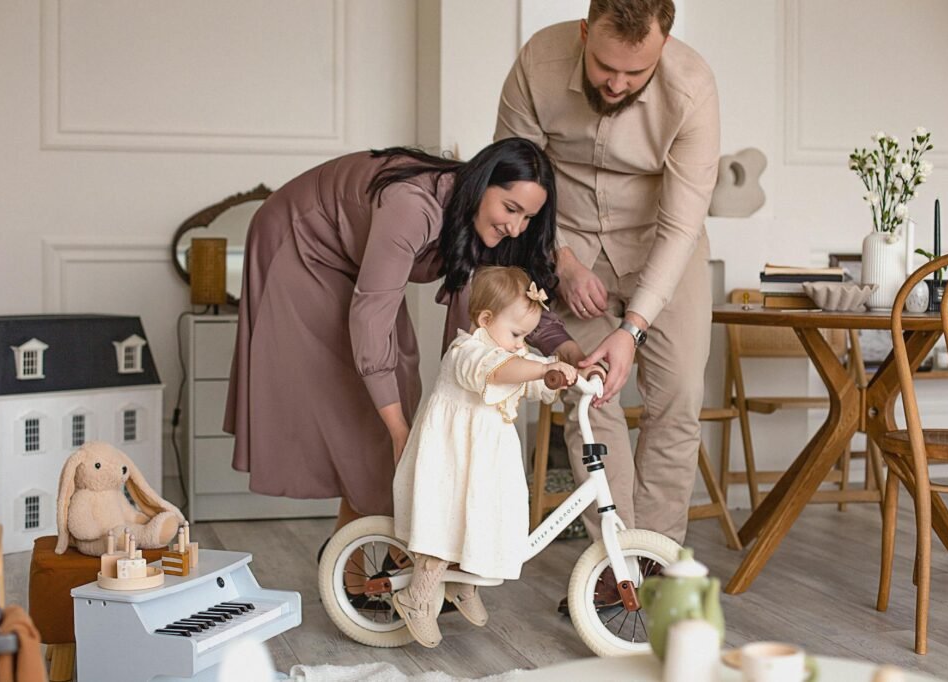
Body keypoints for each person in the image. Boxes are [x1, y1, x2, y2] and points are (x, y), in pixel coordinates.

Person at [224, 138, 590, 545]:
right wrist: (400, 431)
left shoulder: (486, 224)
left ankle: (359, 545)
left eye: (528, 218)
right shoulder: (412, 207)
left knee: (401, 373)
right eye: (510, 208)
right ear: (482, 184)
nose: (516, 227)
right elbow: (370, 317)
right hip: (300, 241)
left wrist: (567, 348)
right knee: (368, 405)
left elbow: (508, 302)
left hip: (354, 256)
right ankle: (362, 560)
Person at [495, 0, 720, 605]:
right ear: (583, 33)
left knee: (678, 401)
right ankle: (613, 570)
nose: (617, 84)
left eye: (635, 73)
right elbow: (511, 176)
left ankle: (659, 563)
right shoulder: (538, 63)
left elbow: (681, 225)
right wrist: (563, 260)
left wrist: (634, 327)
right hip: (565, 244)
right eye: (604, 67)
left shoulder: (693, 87)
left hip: (662, 248)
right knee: (590, 399)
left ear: (664, 46)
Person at [391, 266, 578, 648]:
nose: (520, 343)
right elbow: (501, 371)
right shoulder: (468, 351)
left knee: (483, 521)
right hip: (452, 458)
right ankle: (417, 596)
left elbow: (531, 379)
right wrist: (543, 368)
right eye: (515, 334)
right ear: (485, 319)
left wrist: (557, 377)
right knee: (445, 523)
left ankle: (463, 585)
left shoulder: (513, 353)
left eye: (526, 336)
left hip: (486, 463)